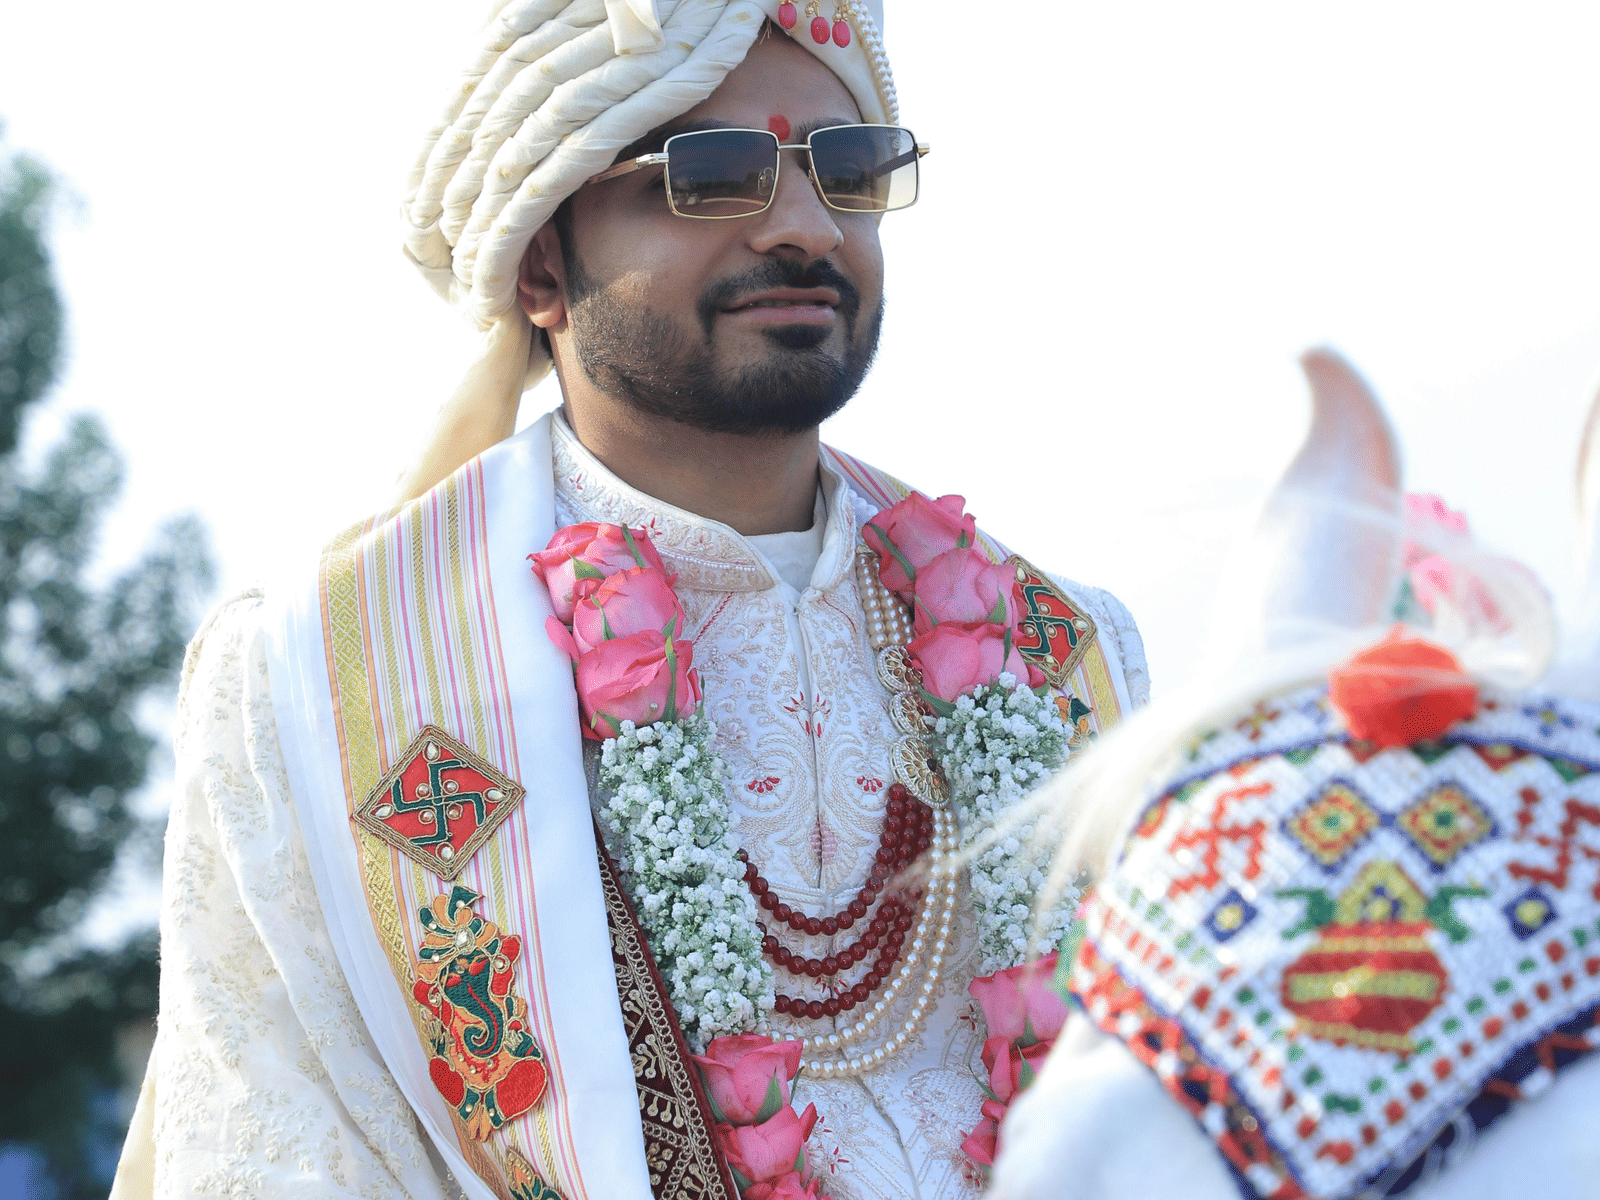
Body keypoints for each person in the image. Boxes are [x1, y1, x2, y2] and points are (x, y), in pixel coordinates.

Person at [113, 4, 1149, 1198]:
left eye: (850, 170)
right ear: (542, 265)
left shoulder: (1069, 654)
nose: (807, 228)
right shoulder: (314, 684)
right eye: (713, 176)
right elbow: (277, 1157)